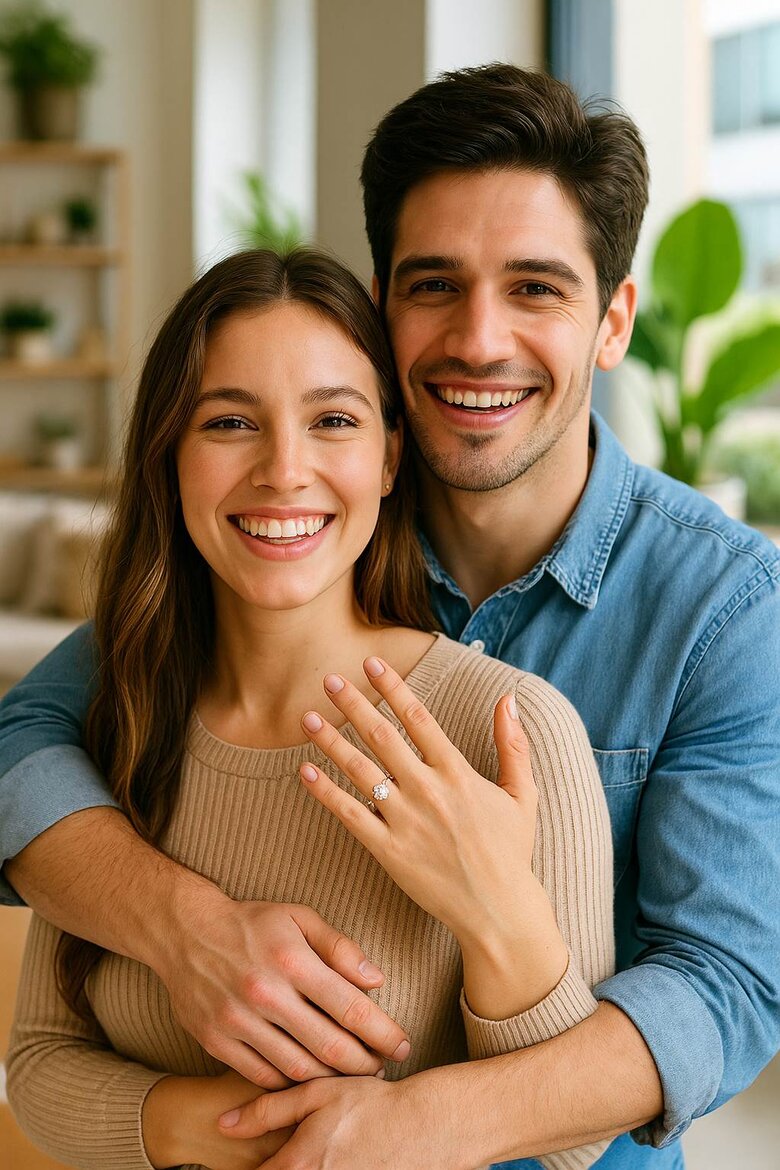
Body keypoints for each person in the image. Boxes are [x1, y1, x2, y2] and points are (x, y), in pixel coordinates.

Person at [1, 62, 779, 1169]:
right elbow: (27, 741)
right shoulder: (299, 524)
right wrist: (190, 933)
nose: (478, 338)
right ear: (380, 304)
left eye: (537, 289)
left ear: (613, 322)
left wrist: (400, 1126)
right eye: (433, 286)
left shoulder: (725, 608)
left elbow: (726, 989)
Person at [5, 246, 614, 1170]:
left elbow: (579, 1146)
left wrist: (500, 913)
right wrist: (220, 1127)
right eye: (229, 422)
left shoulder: (508, 729)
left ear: (388, 457)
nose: (284, 471)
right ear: (170, 455)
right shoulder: (121, 717)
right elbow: (41, 1066)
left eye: (333, 419)